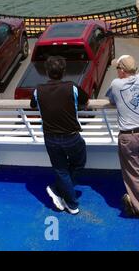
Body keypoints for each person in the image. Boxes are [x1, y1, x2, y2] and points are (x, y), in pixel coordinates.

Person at [30, 56, 89, 215]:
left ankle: (57, 189)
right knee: (78, 164)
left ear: (47, 72)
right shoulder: (72, 87)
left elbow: (33, 104)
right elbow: (86, 100)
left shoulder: (38, 90)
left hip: (50, 138)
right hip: (71, 137)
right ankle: (71, 203)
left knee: (61, 170)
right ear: (63, 71)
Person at [106, 55, 139, 220]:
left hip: (128, 137)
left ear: (122, 70)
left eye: (117, 68)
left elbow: (111, 100)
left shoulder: (116, 84)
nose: (116, 71)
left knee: (134, 173)